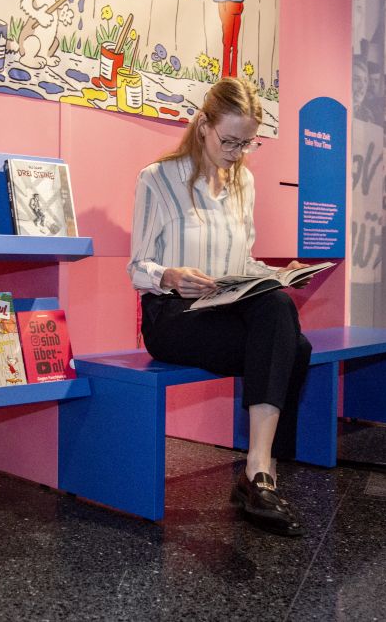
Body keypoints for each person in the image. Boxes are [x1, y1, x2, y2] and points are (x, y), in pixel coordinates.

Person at [128, 77, 312, 537]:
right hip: (174, 315)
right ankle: (262, 473)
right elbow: (136, 267)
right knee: (294, 347)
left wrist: (275, 273)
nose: (236, 152)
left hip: (227, 304)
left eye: (246, 143)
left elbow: (241, 260)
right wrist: (170, 275)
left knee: (278, 307)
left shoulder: (244, 181)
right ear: (203, 124)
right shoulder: (158, 179)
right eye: (228, 140)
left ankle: (257, 470)